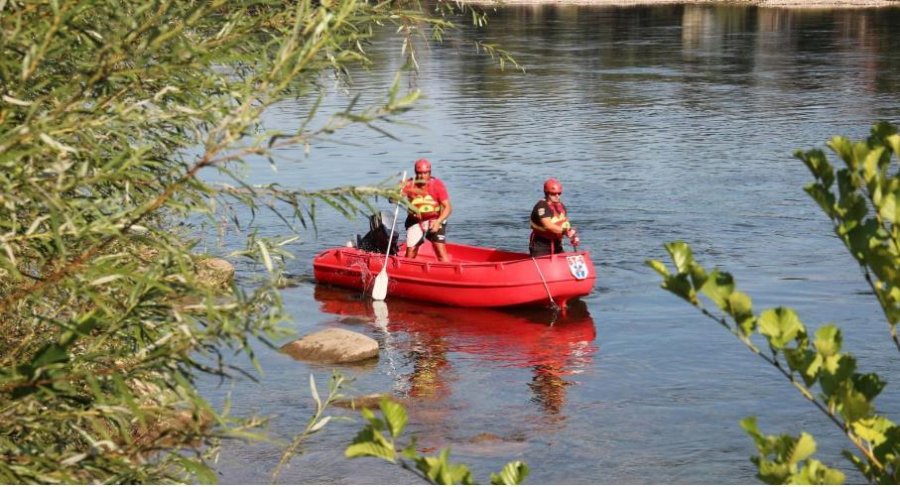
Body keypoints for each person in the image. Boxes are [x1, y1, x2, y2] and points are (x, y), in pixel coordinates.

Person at [402, 158, 452, 261]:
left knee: (440, 251)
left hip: (435, 219)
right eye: (419, 173)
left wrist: (438, 222)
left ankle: (447, 273)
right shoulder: (409, 184)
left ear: (429, 173)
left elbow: (448, 207)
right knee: (411, 252)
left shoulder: (437, 185)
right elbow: (393, 198)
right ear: (416, 173)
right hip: (415, 220)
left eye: (425, 173)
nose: (422, 176)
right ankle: (408, 271)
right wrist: (395, 196)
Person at [529, 178, 579, 257]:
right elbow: (548, 225)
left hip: (557, 244)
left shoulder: (561, 206)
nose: (557, 196)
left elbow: (565, 224)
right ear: (547, 193)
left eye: (559, 194)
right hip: (541, 245)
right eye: (553, 194)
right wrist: (564, 232)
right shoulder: (541, 206)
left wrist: (572, 236)